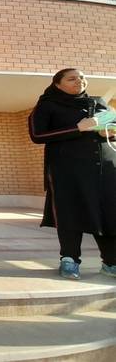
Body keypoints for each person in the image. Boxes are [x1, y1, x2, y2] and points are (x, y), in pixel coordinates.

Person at [28, 68, 116, 279]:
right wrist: (78, 128)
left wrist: (111, 131)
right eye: (72, 78)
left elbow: (111, 129)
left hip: (105, 169)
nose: (79, 81)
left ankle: (111, 262)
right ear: (57, 84)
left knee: (108, 214)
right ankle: (70, 260)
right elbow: (37, 135)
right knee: (71, 213)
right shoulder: (48, 105)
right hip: (68, 171)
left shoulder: (98, 103)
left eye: (82, 77)